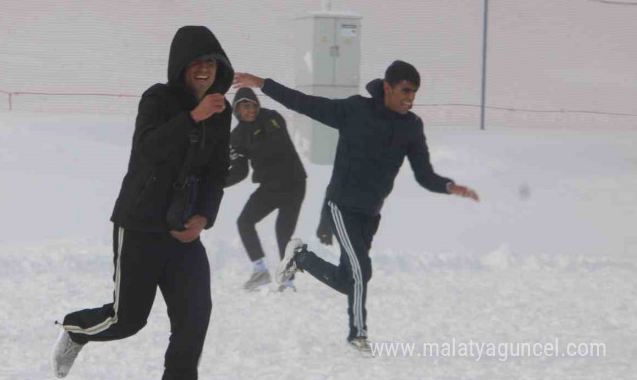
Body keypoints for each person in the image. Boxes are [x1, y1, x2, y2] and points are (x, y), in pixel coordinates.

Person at [232, 60, 479, 353]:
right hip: (340, 205)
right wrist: (262, 84)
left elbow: (424, 175)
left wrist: (449, 186)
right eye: (405, 91)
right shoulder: (356, 111)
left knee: (349, 280)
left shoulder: (411, 127)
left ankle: (301, 258)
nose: (410, 99)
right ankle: (357, 335)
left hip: (369, 213)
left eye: (414, 93)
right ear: (387, 87)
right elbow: (305, 103)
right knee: (361, 270)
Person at [52, 26, 232, 379]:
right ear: (181, 65)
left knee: (195, 316)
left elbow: (217, 169)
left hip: (183, 227)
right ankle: (76, 329)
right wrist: (193, 116)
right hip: (140, 224)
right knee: (128, 320)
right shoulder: (158, 99)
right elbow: (148, 148)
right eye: (196, 62)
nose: (204, 69)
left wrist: (204, 217)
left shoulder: (220, 110)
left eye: (211, 63)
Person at [225, 87, 306, 292]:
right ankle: (260, 271)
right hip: (269, 187)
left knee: (282, 232)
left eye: (253, 105)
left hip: (293, 183)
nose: (251, 110)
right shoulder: (237, 136)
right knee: (244, 221)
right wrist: (217, 183)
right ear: (237, 109)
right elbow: (240, 171)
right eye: (245, 106)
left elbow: (276, 145)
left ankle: (287, 282)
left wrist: (245, 148)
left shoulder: (272, 118)